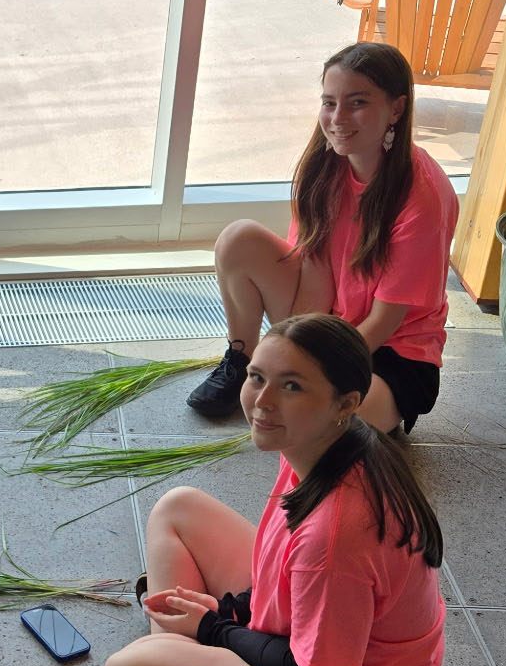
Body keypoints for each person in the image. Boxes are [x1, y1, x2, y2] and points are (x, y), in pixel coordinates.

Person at [96, 314, 446, 666]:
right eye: (257, 377)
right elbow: (277, 564)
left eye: (292, 387)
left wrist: (213, 627)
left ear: (346, 402)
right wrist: (230, 610)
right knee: (178, 507)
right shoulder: (324, 444)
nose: (262, 401)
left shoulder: (337, 535)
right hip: (308, 632)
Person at [186, 42, 458, 433]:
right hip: (332, 321)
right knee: (237, 239)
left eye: (357, 103)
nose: (337, 118)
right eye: (329, 102)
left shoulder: (423, 197)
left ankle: (369, 407)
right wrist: (289, 356)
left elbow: (384, 322)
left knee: (325, 423)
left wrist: (306, 372)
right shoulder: (325, 165)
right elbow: (314, 269)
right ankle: (242, 363)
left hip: (390, 352)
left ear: (396, 109)